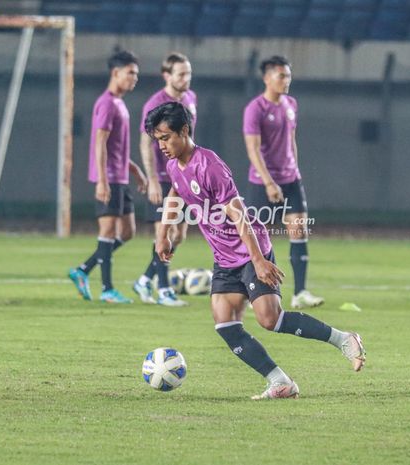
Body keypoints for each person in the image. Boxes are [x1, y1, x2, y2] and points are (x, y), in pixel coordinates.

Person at [147, 102, 366, 400]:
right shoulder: (175, 165)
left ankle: (344, 339)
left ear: (184, 130)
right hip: (224, 257)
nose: (161, 146)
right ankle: (280, 382)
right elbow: (175, 194)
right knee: (225, 324)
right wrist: (163, 235)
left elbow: (238, 214)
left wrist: (259, 260)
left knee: (269, 319)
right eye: (157, 139)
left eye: (165, 137)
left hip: (250, 250)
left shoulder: (209, 165)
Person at [243, 55, 324, 310]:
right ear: (267, 78)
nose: (286, 80)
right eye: (281, 76)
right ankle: (247, 287)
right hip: (263, 182)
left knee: (299, 231)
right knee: (257, 237)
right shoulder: (255, 109)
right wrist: (268, 182)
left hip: (291, 180)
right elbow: (253, 149)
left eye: (288, 75)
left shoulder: (291, 104)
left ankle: (300, 292)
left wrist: (295, 170)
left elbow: (291, 140)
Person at [69, 51, 147, 304]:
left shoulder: (119, 104)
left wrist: (135, 171)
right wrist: (102, 180)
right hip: (110, 178)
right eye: (131, 73)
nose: (135, 78)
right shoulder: (105, 103)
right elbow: (99, 144)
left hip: (121, 176)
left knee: (128, 231)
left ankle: (82, 270)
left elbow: (117, 148)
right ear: (116, 73)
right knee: (108, 230)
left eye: (136, 73)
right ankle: (107, 289)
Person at [133, 52, 196, 307]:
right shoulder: (156, 103)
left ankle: (144, 279)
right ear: (166, 76)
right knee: (164, 231)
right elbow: (145, 143)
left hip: (183, 176)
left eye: (188, 73)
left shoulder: (191, 99)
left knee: (179, 235)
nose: (186, 78)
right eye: (181, 74)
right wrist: (153, 180)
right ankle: (164, 289)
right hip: (162, 176)